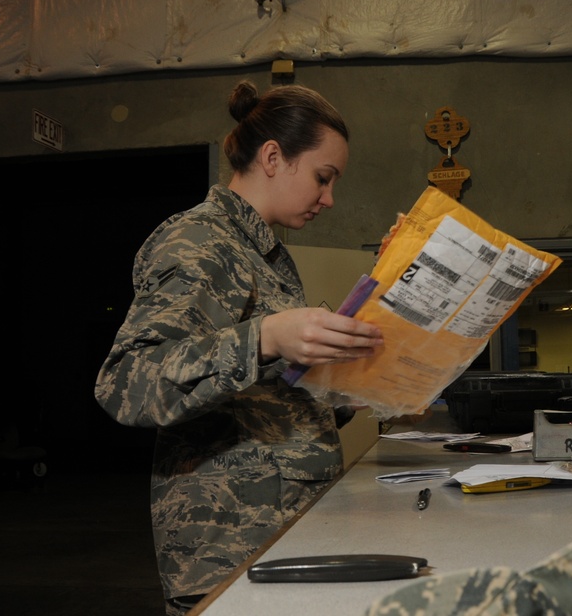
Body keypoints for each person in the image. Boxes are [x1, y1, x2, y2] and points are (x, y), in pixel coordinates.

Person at [94, 80, 383, 615]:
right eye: (323, 178)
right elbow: (127, 383)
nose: (330, 198)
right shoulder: (201, 241)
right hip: (228, 549)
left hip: (281, 535)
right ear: (273, 156)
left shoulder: (260, 251)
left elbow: (253, 399)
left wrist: (341, 397)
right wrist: (267, 337)